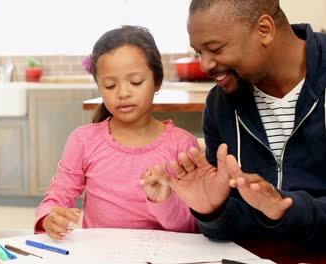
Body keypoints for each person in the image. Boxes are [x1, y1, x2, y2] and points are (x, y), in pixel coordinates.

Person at [142, 0, 326, 244]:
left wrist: (285, 210)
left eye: (215, 49)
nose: (204, 65)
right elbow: (234, 228)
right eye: (199, 52)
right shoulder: (220, 105)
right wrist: (212, 211)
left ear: (264, 29)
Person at [34, 25, 199, 240]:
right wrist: (49, 217)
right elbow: (59, 194)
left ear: (157, 81)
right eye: (110, 86)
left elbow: (190, 228)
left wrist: (163, 201)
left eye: (136, 82)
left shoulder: (182, 145)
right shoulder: (83, 140)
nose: (123, 93)